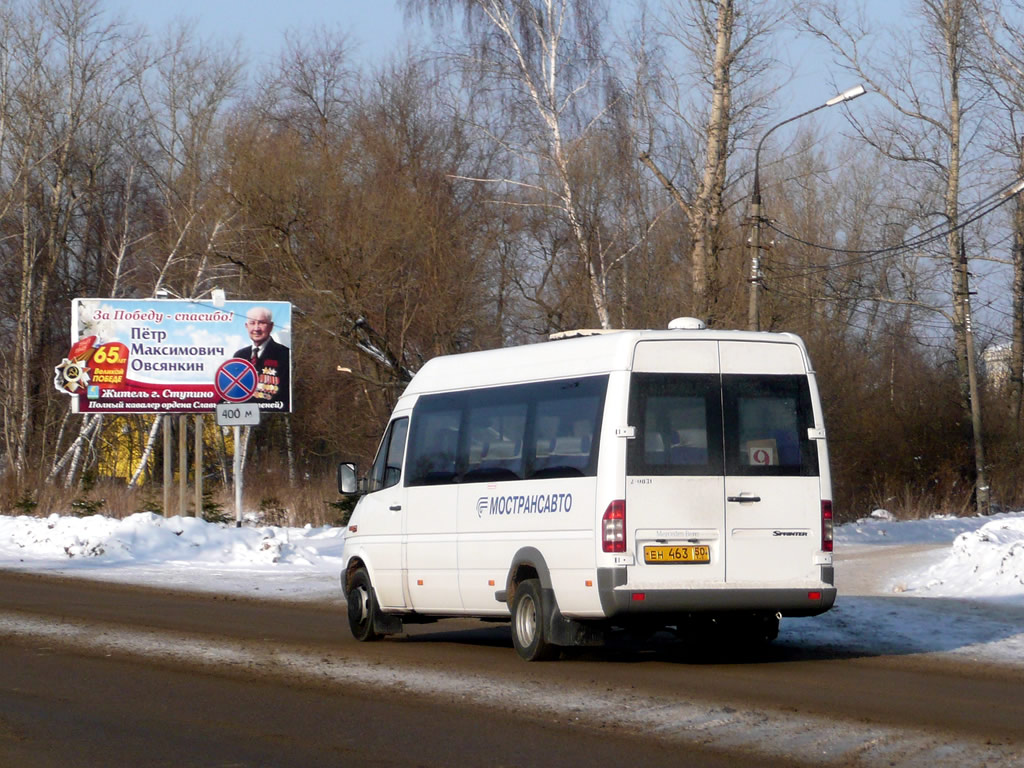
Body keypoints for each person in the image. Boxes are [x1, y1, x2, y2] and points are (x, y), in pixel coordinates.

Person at [232, 306, 290, 408]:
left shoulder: (284, 354)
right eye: (252, 323)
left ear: (271, 326)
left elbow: (285, 391)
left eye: (262, 323)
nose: (256, 328)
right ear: (246, 326)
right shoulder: (239, 355)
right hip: (243, 410)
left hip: (274, 411)